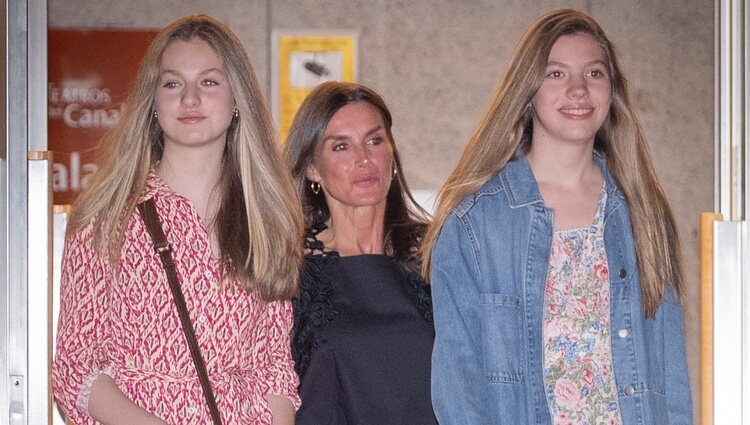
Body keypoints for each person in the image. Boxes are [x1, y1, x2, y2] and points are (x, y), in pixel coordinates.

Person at [422, 8, 693, 425]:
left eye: (595, 73)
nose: (579, 90)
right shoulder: (474, 225)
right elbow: (458, 388)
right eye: (556, 74)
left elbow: (670, 377)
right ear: (527, 90)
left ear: (613, 90)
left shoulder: (643, 215)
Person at [53, 15, 303, 425]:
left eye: (208, 82)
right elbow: (76, 367)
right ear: (152, 102)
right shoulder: (108, 216)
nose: (190, 99)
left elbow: (274, 366)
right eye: (172, 83)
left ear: (237, 99)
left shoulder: (267, 218)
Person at [285, 81, 437, 424]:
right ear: (312, 168)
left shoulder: (438, 256)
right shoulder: (287, 270)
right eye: (341, 146)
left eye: (374, 141)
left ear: (392, 153)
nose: (364, 159)